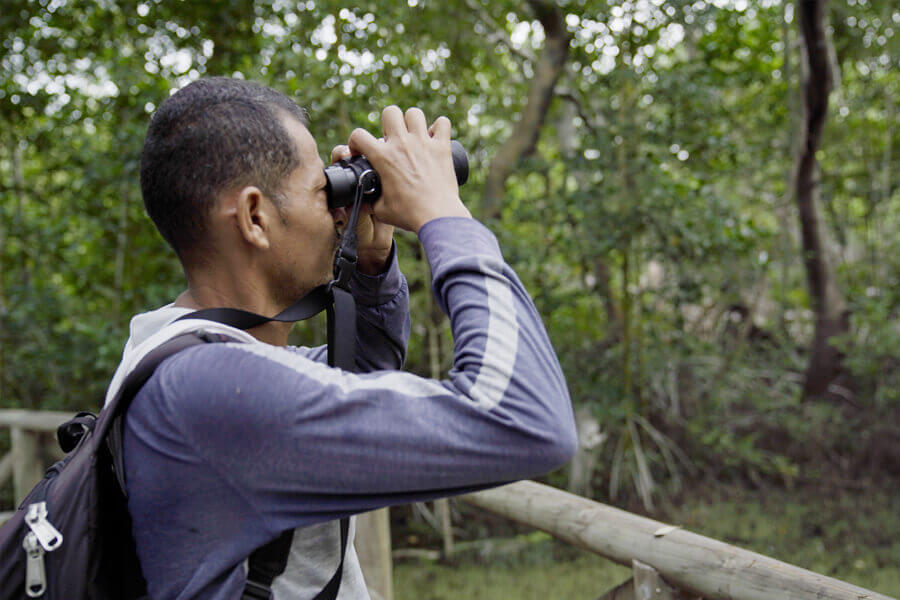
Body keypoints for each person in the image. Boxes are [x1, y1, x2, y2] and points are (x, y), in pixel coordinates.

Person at [108, 76, 576, 600]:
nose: (339, 208)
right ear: (255, 217)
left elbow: (355, 382)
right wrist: (444, 215)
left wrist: (371, 267)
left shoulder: (177, 352)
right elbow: (527, 418)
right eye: (322, 189)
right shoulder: (209, 388)